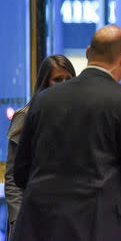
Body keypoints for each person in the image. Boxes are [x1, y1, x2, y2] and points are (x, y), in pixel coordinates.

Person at [12, 25, 121, 241]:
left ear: (89, 52)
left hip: (38, 226)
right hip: (95, 227)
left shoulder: (44, 100)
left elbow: (21, 172)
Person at [5, 55, 76, 237]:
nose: (64, 84)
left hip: (69, 215)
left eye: (68, 79)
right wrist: (17, 219)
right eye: (57, 79)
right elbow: (13, 178)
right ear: (46, 82)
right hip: (31, 215)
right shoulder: (25, 116)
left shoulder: (79, 117)